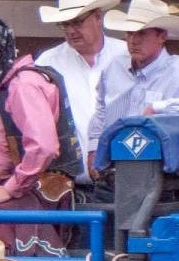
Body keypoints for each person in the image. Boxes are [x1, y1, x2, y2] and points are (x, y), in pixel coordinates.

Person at [0, 15, 84, 258]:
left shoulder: (23, 85)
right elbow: (5, 149)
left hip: (50, 188)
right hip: (34, 184)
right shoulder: (9, 85)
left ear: (4, 53)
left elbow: (44, 148)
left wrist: (9, 189)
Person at [35, 0, 126, 199]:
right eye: (65, 24)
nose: (71, 30)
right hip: (68, 189)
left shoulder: (126, 56)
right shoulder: (47, 63)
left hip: (124, 184)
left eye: (77, 22)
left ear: (98, 17)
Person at [87, 0, 179, 183]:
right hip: (113, 172)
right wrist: (93, 148)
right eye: (130, 33)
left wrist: (157, 107)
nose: (133, 41)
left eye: (142, 34)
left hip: (163, 176)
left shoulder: (176, 71)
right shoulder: (114, 67)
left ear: (162, 36)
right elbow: (101, 110)